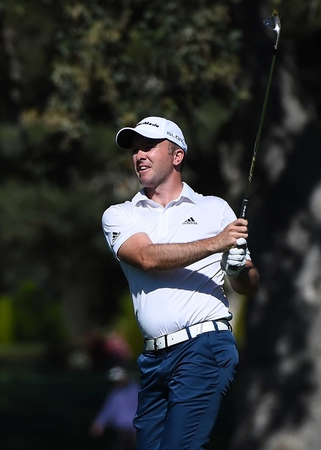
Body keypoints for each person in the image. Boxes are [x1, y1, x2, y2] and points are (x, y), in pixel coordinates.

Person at [101, 116, 260, 450]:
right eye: (135, 149)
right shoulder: (121, 214)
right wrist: (216, 244)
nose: (139, 155)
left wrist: (236, 271)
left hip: (204, 346)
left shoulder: (214, 209)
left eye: (148, 147)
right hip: (153, 358)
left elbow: (249, 283)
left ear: (177, 156)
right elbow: (146, 257)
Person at [90, 366, 138, 450]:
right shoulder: (115, 393)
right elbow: (108, 409)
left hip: (135, 432)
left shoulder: (136, 391)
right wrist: (99, 423)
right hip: (121, 432)